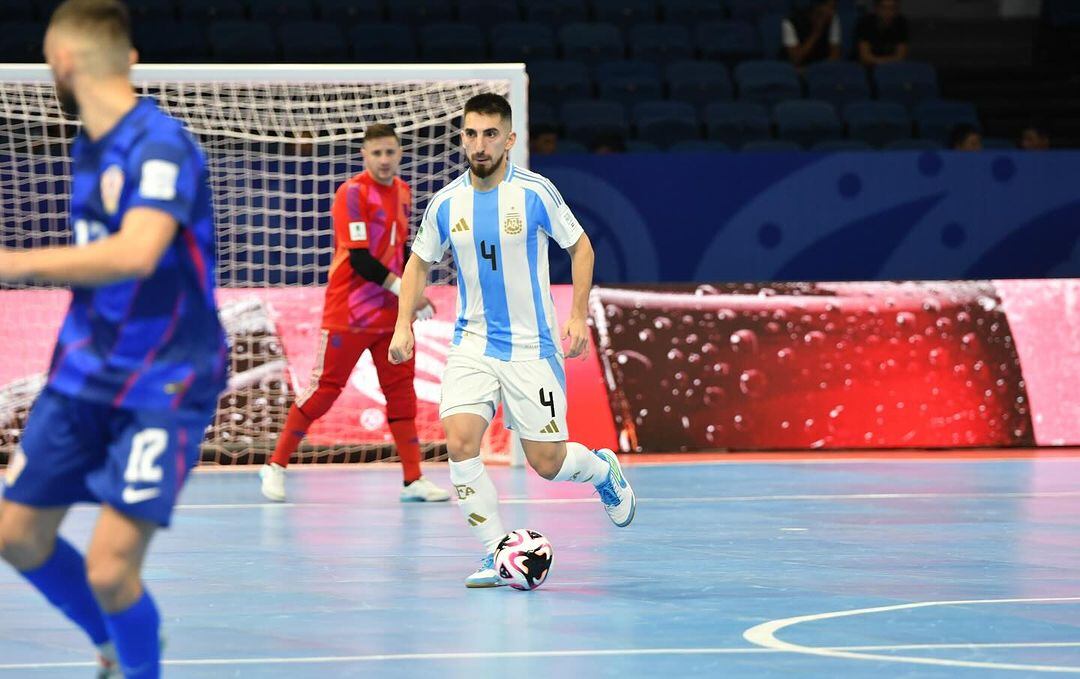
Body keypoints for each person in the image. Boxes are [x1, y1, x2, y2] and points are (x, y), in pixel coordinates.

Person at [0, 1, 228, 677]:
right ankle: (114, 640)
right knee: (16, 533)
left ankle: (135, 659)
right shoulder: (89, 146)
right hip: (82, 372)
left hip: (164, 379)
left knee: (109, 567)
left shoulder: (161, 142)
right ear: (124, 57)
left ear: (61, 64)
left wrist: (12, 263)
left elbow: (137, 251)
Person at [387, 93, 636, 588]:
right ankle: (495, 553)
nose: (479, 145)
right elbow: (417, 262)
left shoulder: (536, 192)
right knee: (459, 441)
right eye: (471, 134)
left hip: (532, 348)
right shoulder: (446, 202)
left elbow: (581, 247)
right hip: (472, 345)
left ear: (509, 139)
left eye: (490, 134)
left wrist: (578, 316)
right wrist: (402, 324)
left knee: (547, 463)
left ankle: (602, 471)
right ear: (462, 138)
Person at [259, 124, 450, 503]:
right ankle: (275, 465)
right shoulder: (352, 193)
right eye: (377, 153)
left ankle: (413, 479)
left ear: (399, 154)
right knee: (323, 393)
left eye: (390, 152)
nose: (384, 159)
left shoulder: (403, 192)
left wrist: (412, 297)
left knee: (401, 396)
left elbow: (401, 249)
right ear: (364, 155)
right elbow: (361, 260)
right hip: (349, 312)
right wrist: (407, 293)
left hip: (391, 318)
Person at [783, 0, 842, 67]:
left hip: (822, 68)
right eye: (829, 8)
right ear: (817, 8)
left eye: (834, 8)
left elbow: (835, 54)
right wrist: (816, 34)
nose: (832, 12)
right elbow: (796, 59)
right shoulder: (791, 22)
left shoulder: (833, 19)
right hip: (797, 69)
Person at [856, 0, 910, 66]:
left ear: (897, 10)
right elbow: (864, 58)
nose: (888, 12)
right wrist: (891, 60)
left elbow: (901, 57)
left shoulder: (901, 23)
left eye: (892, 8)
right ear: (876, 9)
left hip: (894, 69)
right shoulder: (865, 23)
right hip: (867, 69)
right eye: (883, 8)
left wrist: (875, 60)